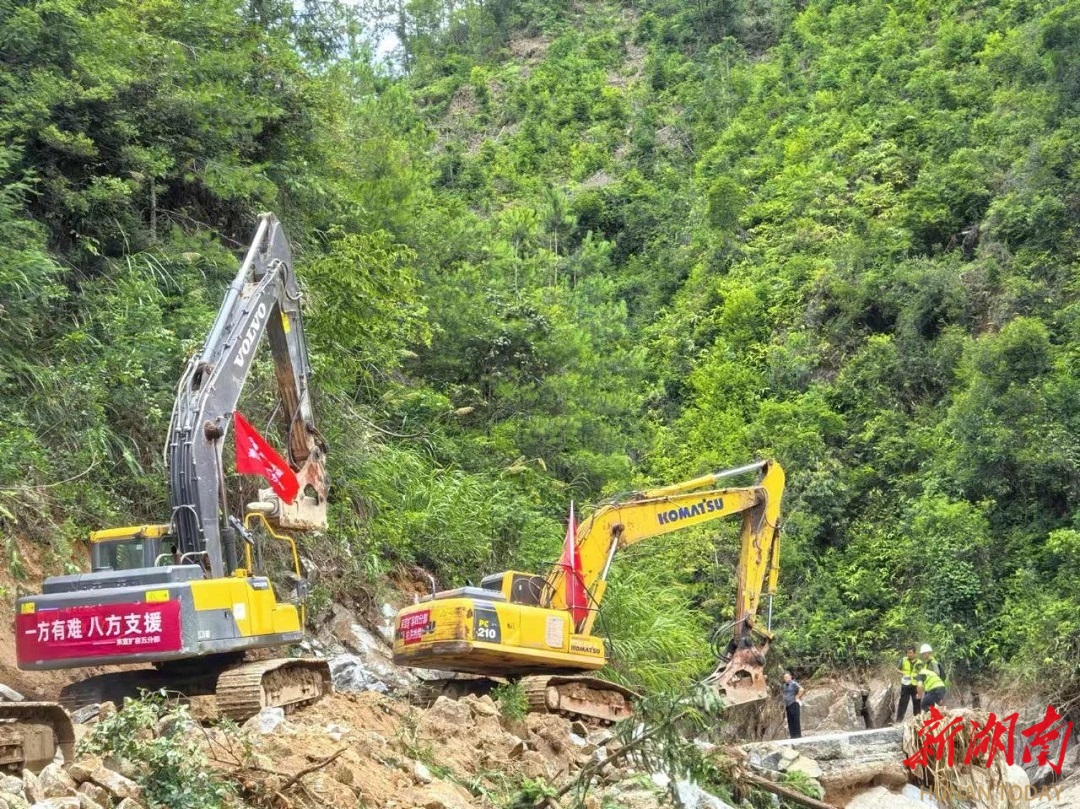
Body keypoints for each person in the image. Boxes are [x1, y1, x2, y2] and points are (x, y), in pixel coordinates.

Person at [916, 643, 946, 713]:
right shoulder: (927, 663)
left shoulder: (933, 662)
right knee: (934, 703)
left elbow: (937, 673)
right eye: (922, 654)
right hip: (936, 687)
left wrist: (920, 694)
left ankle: (937, 715)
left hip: (934, 687)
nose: (923, 655)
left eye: (924, 653)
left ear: (928, 653)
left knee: (925, 705)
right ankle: (939, 713)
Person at [896, 646, 922, 720]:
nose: (908, 654)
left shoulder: (919, 662)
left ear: (914, 653)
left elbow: (921, 673)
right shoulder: (903, 660)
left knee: (917, 703)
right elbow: (897, 669)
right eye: (907, 653)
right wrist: (903, 673)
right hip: (905, 684)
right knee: (903, 703)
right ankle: (899, 721)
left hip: (915, 685)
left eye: (910, 652)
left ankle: (917, 720)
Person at [782, 670, 805, 738]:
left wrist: (797, 696)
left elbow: (801, 689)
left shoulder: (793, 683)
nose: (785, 679)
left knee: (795, 720)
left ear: (790, 677)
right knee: (790, 720)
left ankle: (798, 735)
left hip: (794, 703)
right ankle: (792, 735)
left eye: (787, 677)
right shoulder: (784, 685)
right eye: (784, 678)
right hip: (788, 704)